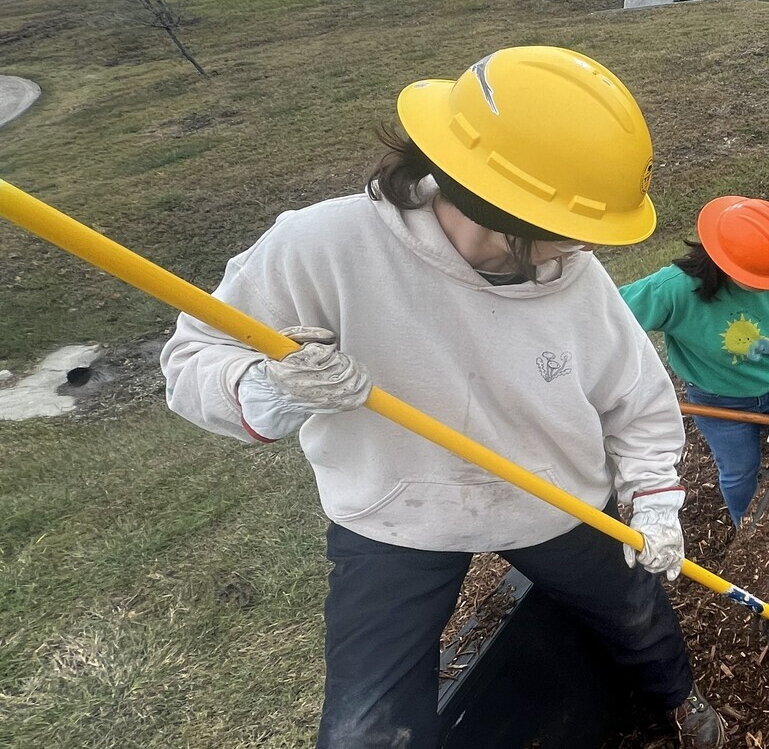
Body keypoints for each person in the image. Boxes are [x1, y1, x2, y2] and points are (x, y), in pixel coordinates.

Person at [159, 46, 725, 749]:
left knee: (636, 617)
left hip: (556, 499)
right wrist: (271, 389)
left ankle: (676, 697)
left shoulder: (574, 278)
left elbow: (634, 398)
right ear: (504, 209)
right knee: (366, 730)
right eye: (572, 230)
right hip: (397, 513)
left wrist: (655, 496)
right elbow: (191, 362)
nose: (584, 247)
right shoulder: (322, 246)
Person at [621, 196, 769, 526]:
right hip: (718, 403)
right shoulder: (675, 289)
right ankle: (747, 529)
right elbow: (608, 319)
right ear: (724, 264)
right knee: (739, 473)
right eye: (759, 281)